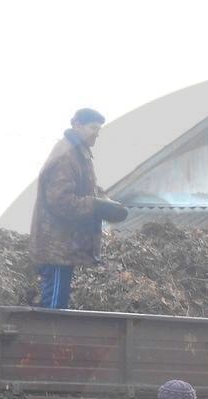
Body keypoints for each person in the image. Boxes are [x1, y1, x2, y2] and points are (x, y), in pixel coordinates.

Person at [29, 108, 129, 309]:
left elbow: (87, 189)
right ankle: (50, 339)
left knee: (58, 299)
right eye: (93, 128)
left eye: (99, 129)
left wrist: (105, 200)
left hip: (64, 246)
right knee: (55, 306)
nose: (97, 133)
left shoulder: (78, 153)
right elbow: (62, 202)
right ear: (77, 125)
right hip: (57, 246)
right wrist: (95, 205)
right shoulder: (66, 156)